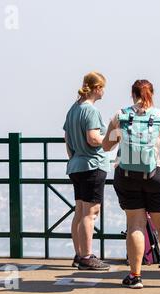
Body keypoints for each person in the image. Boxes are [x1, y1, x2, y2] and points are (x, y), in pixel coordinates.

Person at [102, 79, 160, 289]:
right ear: (152, 93)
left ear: (132, 94)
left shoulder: (120, 116)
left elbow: (107, 145)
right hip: (158, 175)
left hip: (126, 175)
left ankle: (135, 276)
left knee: (135, 224)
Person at [63, 71, 110, 271]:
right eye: (103, 88)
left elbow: (67, 139)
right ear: (97, 88)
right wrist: (110, 139)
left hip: (76, 164)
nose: (104, 92)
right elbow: (93, 138)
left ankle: (79, 253)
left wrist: (74, 156)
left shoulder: (73, 109)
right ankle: (87, 256)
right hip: (92, 165)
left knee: (80, 211)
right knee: (90, 213)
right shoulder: (91, 111)